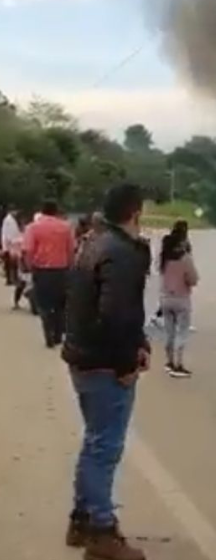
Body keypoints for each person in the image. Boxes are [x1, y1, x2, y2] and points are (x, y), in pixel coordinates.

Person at [61, 183, 151, 560]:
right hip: (103, 364)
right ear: (135, 213)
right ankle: (100, 531)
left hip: (81, 357)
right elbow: (117, 314)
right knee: (105, 447)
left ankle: (82, 519)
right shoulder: (122, 251)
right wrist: (126, 362)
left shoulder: (91, 242)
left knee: (94, 442)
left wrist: (137, 342)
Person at [24, 201, 75, 347]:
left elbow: (28, 250)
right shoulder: (66, 228)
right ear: (56, 211)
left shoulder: (33, 228)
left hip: (42, 270)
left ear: (42, 211)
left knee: (44, 304)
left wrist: (30, 267)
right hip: (61, 271)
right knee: (60, 304)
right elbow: (71, 250)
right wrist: (70, 267)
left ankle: (48, 333)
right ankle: (58, 334)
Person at [159, 226, 199, 377]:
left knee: (169, 333)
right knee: (182, 333)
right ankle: (179, 363)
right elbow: (193, 279)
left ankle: (168, 361)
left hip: (165, 298)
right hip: (181, 299)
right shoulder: (185, 258)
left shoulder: (164, 258)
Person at [3, 207, 20, 285]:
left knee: (11, 264)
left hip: (11, 244)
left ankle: (11, 279)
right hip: (10, 245)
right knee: (11, 264)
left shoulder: (11, 220)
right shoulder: (9, 220)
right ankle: (11, 279)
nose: (16, 212)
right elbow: (9, 234)